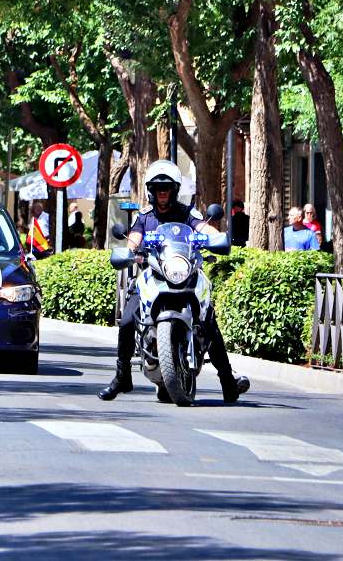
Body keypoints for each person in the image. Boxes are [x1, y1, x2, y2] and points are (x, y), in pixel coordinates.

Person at [99, 159, 250, 403]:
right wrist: (129, 250)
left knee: (208, 319)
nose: (162, 193)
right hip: (153, 275)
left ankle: (227, 380)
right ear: (151, 190)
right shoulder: (144, 217)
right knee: (127, 320)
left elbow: (203, 227)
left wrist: (215, 237)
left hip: (185, 273)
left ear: (174, 190)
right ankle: (121, 376)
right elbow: (134, 238)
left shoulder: (186, 212)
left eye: (167, 188)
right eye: (158, 188)